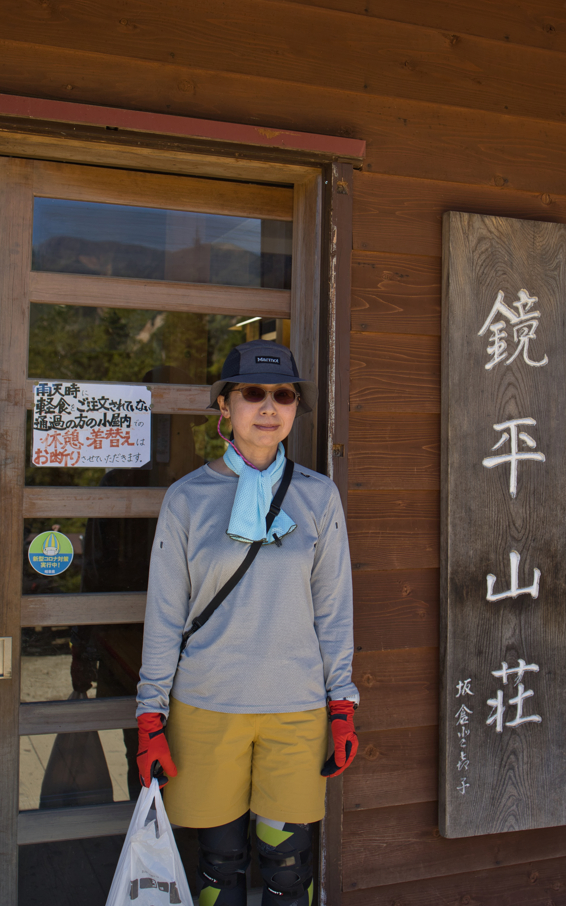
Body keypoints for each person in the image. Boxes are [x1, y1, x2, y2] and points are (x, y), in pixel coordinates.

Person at [136, 340, 359, 906]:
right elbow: (164, 614)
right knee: (219, 868)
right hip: (208, 705)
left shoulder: (318, 495)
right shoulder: (187, 498)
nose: (268, 406)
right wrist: (150, 715)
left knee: (289, 869)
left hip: (297, 708)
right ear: (225, 408)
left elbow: (333, 612)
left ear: (294, 408)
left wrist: (342, 705)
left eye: (282, 394)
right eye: (252, 393)